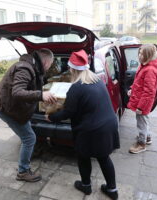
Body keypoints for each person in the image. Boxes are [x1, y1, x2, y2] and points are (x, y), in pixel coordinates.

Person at [46, 50, 120, 200]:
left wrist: (51, 117)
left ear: (73, 69)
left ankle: (85, 185)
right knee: (104, 157)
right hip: (109, 124)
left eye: (69, 68)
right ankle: (112, 190)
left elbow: (68, 112)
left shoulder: (77, 87)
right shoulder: (97, 80)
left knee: (83, 156)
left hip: (91, 129)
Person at [0, 48, 57, 182]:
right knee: (29, 138)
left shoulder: (32, 67)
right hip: (7, 109)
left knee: (27, 135)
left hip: (15, 108)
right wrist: (40, 95)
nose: (49, 67)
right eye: (50, 65)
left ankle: (29, 152)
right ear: (45, 62)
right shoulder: (25, 69)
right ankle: (23, 171)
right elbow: (17, 92)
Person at [128, 44, 157, 154]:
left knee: (141, 123)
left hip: (142, 103)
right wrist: (132, 90)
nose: (139, 55)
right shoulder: (144, 65)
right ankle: (148, 137)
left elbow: (149, 91)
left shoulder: (150, 70)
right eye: (139, 52)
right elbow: (139, 83)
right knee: (144, 120)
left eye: (142, 53)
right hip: (141, 100)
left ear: (148, 55)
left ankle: (141, 144)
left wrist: (140, 107)